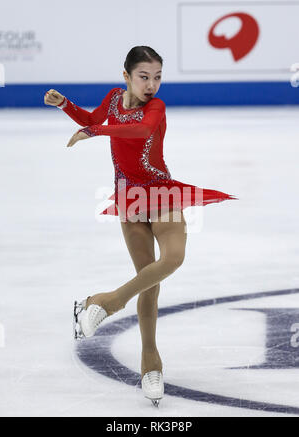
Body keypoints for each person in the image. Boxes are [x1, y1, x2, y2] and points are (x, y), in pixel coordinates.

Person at [44, 45, 238, 406]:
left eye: (158, 77)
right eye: (143, 77)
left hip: (161, 192)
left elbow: (139, 131)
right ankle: (150, 360)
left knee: (173, 258)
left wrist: (96, 131)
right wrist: (64, 106)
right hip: (128, 199)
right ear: (126, 77)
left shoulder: (156, 108)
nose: (152, 85)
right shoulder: (113, 100)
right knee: (148, 279)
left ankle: (105, 301)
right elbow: (92, 118)